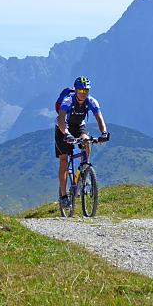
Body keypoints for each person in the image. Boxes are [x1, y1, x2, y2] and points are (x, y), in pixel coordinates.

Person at [55, 76, 109, 209]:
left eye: (86, 91)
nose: (83, 93)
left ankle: (85, 169)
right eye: (80, 91)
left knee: (86, 140)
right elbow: (61, 118)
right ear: (76, 90)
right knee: (63, 160)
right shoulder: (68, 100)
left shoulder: (92, 101)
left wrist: (104, 133)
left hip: (79, 125)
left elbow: (99, 119)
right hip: (63, 127)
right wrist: (66, 134)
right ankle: (63, 196)